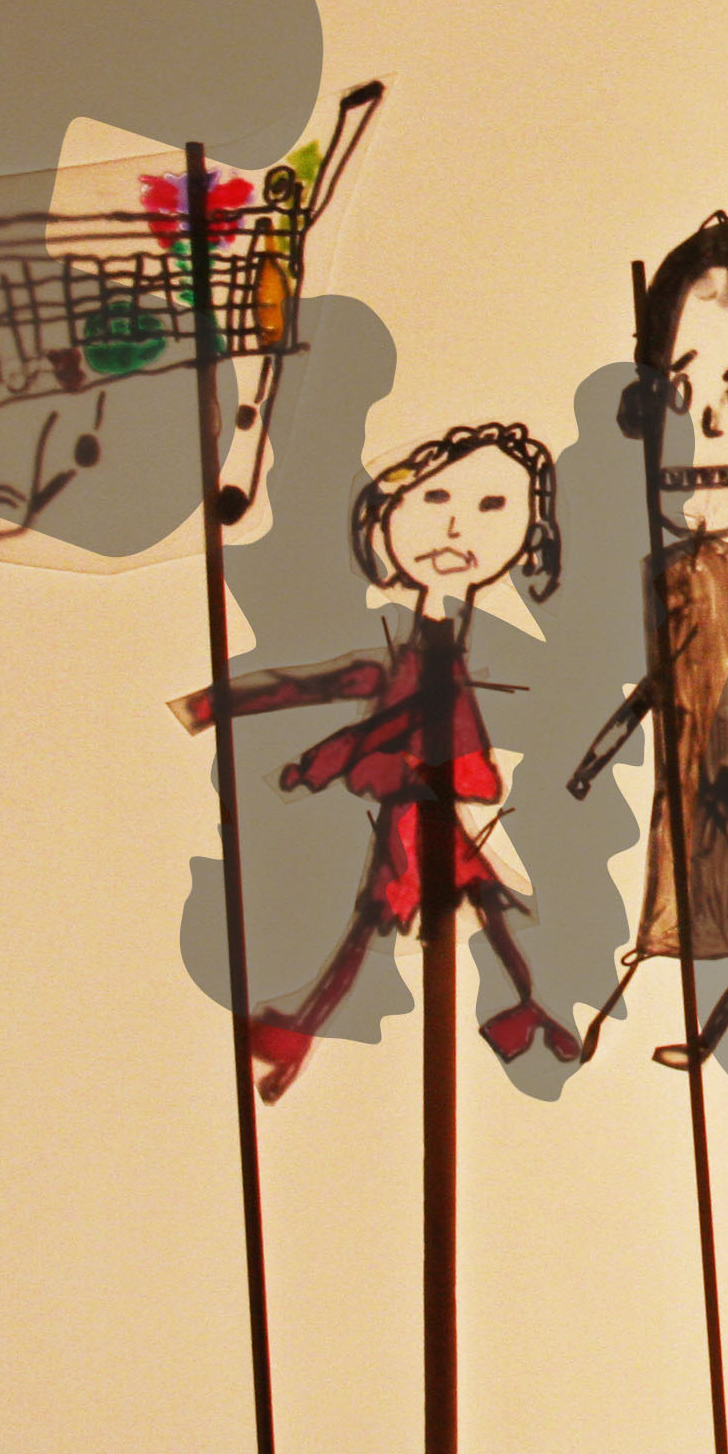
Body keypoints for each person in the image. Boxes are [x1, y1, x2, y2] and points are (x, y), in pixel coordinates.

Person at [169, 423, 583, 1099]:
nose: (456, 526)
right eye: (435, 497)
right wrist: (250, 722)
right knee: (394, 922)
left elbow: (391, 707)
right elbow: (360, 699)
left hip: (436, 808)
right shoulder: (414, 651)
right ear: (387, 514)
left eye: (492, 505)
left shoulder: (455, 641)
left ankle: (523, 1011)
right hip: (415, 813)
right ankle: (302, 1034)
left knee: (473, 908)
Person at [570, 214, 728, 1069]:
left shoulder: (727, 573)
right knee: (677, 882)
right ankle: (642, 982)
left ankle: (709, 1016)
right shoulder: (667, 575)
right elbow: (652, 689)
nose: (709, 423)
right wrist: (594, 760)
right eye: (680, 397)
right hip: (688, 767)